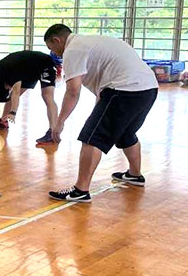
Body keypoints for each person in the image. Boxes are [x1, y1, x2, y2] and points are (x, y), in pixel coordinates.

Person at [43, 23, 159, 203]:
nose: (54, 53)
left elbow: (73, 91)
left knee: (91, 137)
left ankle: (80, 190)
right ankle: (134, 175)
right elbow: (103, 85)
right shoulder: (91, 42)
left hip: (124, 90)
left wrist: (59, 123)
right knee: (125, 133)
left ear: (57, 40)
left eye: (51, 48)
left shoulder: (72, 50)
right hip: (148, 88)